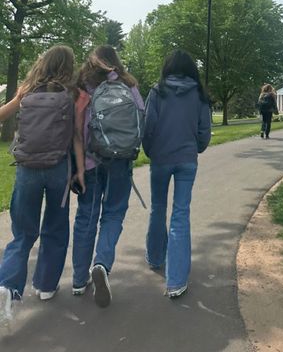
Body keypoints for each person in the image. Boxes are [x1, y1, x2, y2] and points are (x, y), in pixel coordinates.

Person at [0, 45, 85, 328]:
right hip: (58, 169)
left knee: (22, 234)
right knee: (56, 228)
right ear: (68, 66)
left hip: (27, 169)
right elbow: (75, 137)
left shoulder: (27, 89)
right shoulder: (71, 94)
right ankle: (46, 287)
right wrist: (81, 171)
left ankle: (7, 287)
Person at [71, 45, 144, 308]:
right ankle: (101, 263)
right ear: (115, 61)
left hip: (90, 163)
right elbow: (140, 121)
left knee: (86, 218)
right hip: (120, 162)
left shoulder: (82, 88)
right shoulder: (129, 85)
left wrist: (78, 168)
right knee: (113, 214)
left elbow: (77, 133)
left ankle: (79, 280)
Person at [143, 49, 211, 298]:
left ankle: (155, 256)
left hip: (160, 158)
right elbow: (205, 130)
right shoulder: (199, 95)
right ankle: (176, 280)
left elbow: (148, 126)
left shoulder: (157, 91)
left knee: (158, 207)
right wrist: (197, 148)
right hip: (187, 159)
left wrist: (150, 151)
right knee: (181, 214)